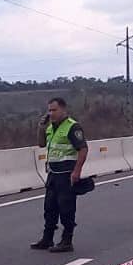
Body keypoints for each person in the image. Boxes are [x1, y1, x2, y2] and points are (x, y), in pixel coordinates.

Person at [31, 96, 88, 253]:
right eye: (49, 110)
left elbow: (83, 149)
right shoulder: (51, 127)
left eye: (54, 110)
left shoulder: (72, 127)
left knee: (66, 208)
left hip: (66, 173)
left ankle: (67, 240)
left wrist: (77, 171)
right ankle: (47, 238)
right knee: (49, 208)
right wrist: (40, 127)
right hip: (53, 173)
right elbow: (41, 144)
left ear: (63, 109)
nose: (51, 113)